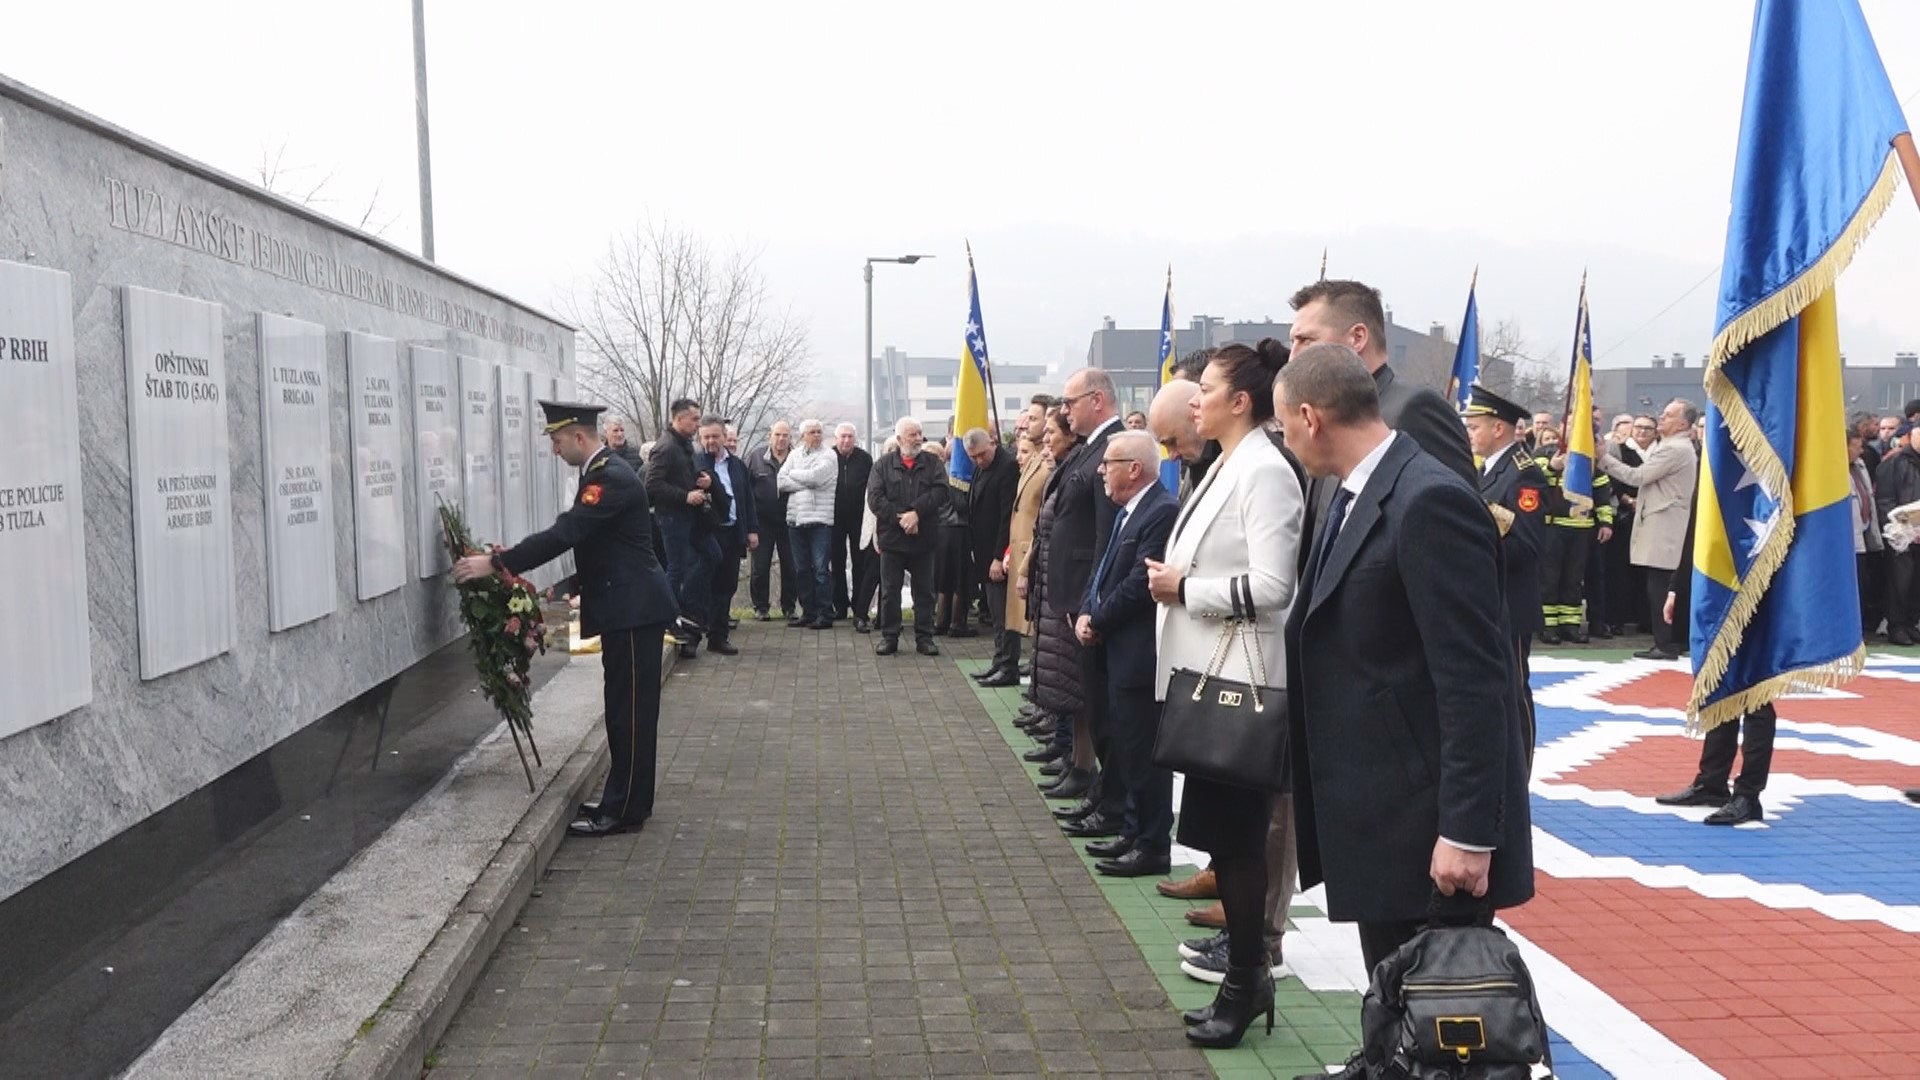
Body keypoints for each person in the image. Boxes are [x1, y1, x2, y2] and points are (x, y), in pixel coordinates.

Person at [1275, 345, 1533, 1079]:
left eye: (1284, 424)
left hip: (1426, 819)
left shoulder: (1427, 500)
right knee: (1395, 989)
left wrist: (1467, 832)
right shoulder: (1357, 491)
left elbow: (1476, 681)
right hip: (1380, 806)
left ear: (1309, 417)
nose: (1284, 441)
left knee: (1445, 1018)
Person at [1140, 343, 1303, 1034]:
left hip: (1238, 686)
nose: (1194, 400)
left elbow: (1273, 587)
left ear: (1241, 401)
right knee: (1224, 845)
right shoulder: (1231, 464)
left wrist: (1187, 588)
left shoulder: (1264, 470)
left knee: (1237, 848)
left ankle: (1246, 986)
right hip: (1208, 675)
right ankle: (1243, 981)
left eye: (1205, 389)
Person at [453, 400, 678, 838]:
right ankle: (623, 801)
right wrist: (564, 590)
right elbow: (605, 547)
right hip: (626, 607)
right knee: (623, 711)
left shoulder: (608, 478)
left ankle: (625, 811)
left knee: (629, 714)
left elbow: (566, 532)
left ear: (578, 437)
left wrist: (497, 564)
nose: (554, 450)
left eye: (557, 441)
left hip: (633, 611)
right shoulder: (601, 472)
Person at [1075, 432, 1179, 879]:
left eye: (1109, 462)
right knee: (1130, 748)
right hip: (1118, 650)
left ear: (1134, 468)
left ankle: (1152, 843)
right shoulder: (1127, 513)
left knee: (1145, 754)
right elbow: (1103, 569)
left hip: (1139, 654)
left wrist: (1097, 619)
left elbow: (1140, 585)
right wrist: (1086, 609)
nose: (1101, 470)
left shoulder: (1161, 511)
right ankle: (1134, 832)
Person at [1653, 492, 1776, 825]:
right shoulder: (1716, 452)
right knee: (1717, 680)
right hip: (1715, 583)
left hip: (1760, 584)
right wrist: (1678, 586)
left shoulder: (1770, 450)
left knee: (1755, 694)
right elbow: (1699, 524)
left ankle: (1748, 794)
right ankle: (1712, 781)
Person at [1286, 279, 1476, 487]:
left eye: (1307, 341)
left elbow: (1456, 509)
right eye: (1293, 342)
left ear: (1357, 338)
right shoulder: (1330, 419)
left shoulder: (1415, 411)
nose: (1293, 357)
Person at [1050, 368, 1127, 839]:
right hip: (1076, 592)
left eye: (1070, 401)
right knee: (1091, 704)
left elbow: (1106, 535)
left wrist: (1091, 601)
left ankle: (1109, 796)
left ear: (1097, 400)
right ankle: (1101, 790)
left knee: (1102, 708)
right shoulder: (1090, 447)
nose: (1064, 410)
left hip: (1089, 596)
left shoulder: (1113, 447)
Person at [1462, 384, 1550, 750]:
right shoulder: (1488, 471)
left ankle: (1522, 773)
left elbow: (1527, 546)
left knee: (1514, 695)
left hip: (1511, 603)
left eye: (1475, 426)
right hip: (1489, 599)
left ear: (1498, 428)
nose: (1469, 433)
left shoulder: (1524, 474)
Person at [1024, 411, 1093, 800]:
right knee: (1062, 679)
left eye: (1050, 431)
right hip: (1052, 583)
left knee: (1071, 682)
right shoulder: (1063, 469)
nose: (1044, 438)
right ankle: (1070, 756)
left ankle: (1080, 764)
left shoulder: (1078, 468)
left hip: (1067, 587)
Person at [1598, 398, 1699, 660]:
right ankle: (1666, 641)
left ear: (1683, 423)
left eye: (1667, 415)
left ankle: (1665, 644)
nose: (1661, 418)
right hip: (1663, 519)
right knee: (1660, 585)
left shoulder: (1673, 449)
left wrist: (1603, 458)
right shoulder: (1676, 446)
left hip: (1663, 522)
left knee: (1660, 587)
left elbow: (1637, 476)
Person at [868, 417, 952, 656]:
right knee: (890, 591)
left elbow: (941, 492)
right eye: (912, 434)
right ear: (899, 439)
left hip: (924, 539)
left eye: (919, 434)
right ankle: (889, 636)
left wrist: (917, 512)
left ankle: (925, 636)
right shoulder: (881, 466)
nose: (918, 439)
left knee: (924, 591)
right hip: (893, 540)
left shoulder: (933, 463)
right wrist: (902, 519)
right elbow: (875, 499)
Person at [646, 398, 719, 650]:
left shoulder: (685, 444)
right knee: (675, 567)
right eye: (694, 419)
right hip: (673, 516)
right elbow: (653, 485)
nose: (698, 424)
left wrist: (701, 480)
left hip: (692, 515)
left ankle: (685, 600)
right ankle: (667, 616)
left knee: (713, 554)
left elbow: (684, 473)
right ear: (679, 419)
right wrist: (685, 495)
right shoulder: (664, 447)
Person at [965, 428, 1024, 685]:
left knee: (1003, 614)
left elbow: (1005, 516)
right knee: (995, 611)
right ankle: (998, 661)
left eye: (982, 454)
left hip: (998, 554)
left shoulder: (1007, 467)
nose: (979, 460)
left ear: (992, 443)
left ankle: (1008, 664)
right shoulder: (981, 468)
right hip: (981, 551)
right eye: (973, 457)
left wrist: (999, 556)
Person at [693, 417, 755, 657]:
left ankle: (718, 637)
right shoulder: (696, 463)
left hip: (732, 531)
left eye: (715, 436)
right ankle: (695, 634)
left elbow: (747, 499)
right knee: (702, 585)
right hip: (707, 533)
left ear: (724, 437)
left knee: (726, 585)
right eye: (706, 437)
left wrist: (752, 529)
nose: (710, 441)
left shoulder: (737, 465)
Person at [778, 419, 838, 630]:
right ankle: (808, 611)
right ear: (803, 435)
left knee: (821, 569)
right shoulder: (794, 455)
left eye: (819, 432)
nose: (816, 435)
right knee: (801, 568)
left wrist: (794, 476)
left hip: (819, 520)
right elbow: (780, 480)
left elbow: (817, 478)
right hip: (795, 519)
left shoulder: (829, 456)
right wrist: (804, 481)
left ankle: (824, 613)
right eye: (812, 432)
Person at [745, 421, 796, 621]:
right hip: (762, 522)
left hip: (790, 520)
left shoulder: (797, 458)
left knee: (791, 566)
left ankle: (789, 607)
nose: (781, 439)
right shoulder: (756, 457)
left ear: (790, 437)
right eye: (777, 435)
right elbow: (746, 491)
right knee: (760, 566)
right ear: (770, 436)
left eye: (785, 435)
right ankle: (760, 607)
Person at [1877, 420, 1920, 645]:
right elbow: (1885, 501)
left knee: (1916, 584)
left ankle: (1911, 623)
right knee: (1900, 582)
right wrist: (1902, 529)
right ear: (1912, 435)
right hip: (1901, 536)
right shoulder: (1894, 464)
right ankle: (1896, 625)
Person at [830, 423, 876, 630]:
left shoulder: (865, 458)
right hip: (834, 517)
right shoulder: (828, 457)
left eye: (850, 436)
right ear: (836, 438)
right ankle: (839, 605)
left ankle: (859, 605)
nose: (846, 440)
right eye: (843, 437)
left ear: (855, 439)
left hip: (859, 518)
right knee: (836, 562)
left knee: (860, 562)